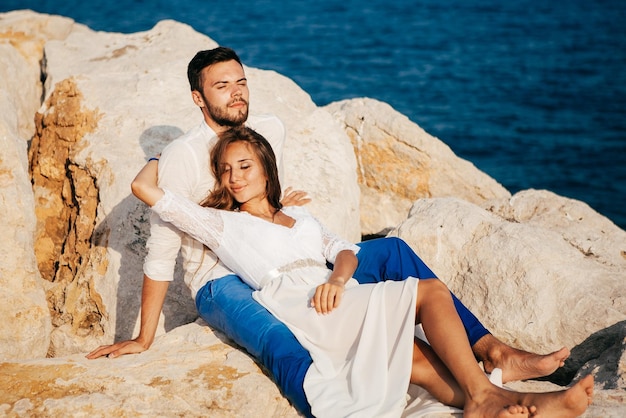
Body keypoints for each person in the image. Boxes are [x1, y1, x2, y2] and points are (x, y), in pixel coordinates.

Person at [87, 47, 570, 416]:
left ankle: (493, 350)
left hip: (276, 249)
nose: (237, 93)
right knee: (280, 339)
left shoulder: (267, 127)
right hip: (221, 276)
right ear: (199, 97)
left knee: (395, 251)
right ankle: (332, 402)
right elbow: (161, 246)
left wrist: (280, 207)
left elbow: (270, 179)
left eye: (241, 82)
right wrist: (144, 337)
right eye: (221, 86)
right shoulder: (184, 157)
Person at [130, 125, 593, 417]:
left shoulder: (302, 219)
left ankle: (524, 403)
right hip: (301, 305)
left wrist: (337, 277)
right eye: (226, 170)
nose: (235, 177)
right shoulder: (222, 223)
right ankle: (482, 393)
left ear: (267, 169)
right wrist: (162, 156)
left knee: (412, 358)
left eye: (245, 165)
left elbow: (346, 250)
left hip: (331, 292)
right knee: (428, 292)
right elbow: (144, 188)